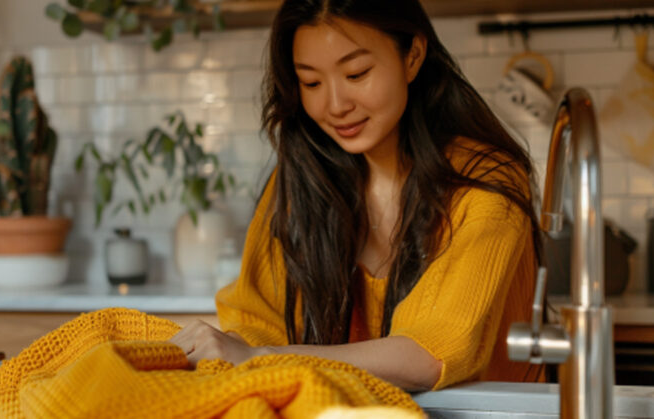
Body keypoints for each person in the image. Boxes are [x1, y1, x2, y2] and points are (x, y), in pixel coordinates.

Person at [169, 0, 541, 392]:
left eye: (356, 73)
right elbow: (257, 320)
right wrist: (235, 350)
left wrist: (258, 359)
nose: (336, 105)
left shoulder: (486, 182)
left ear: (412, 56)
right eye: (311, 83)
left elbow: (431, 354)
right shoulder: (301, 180)